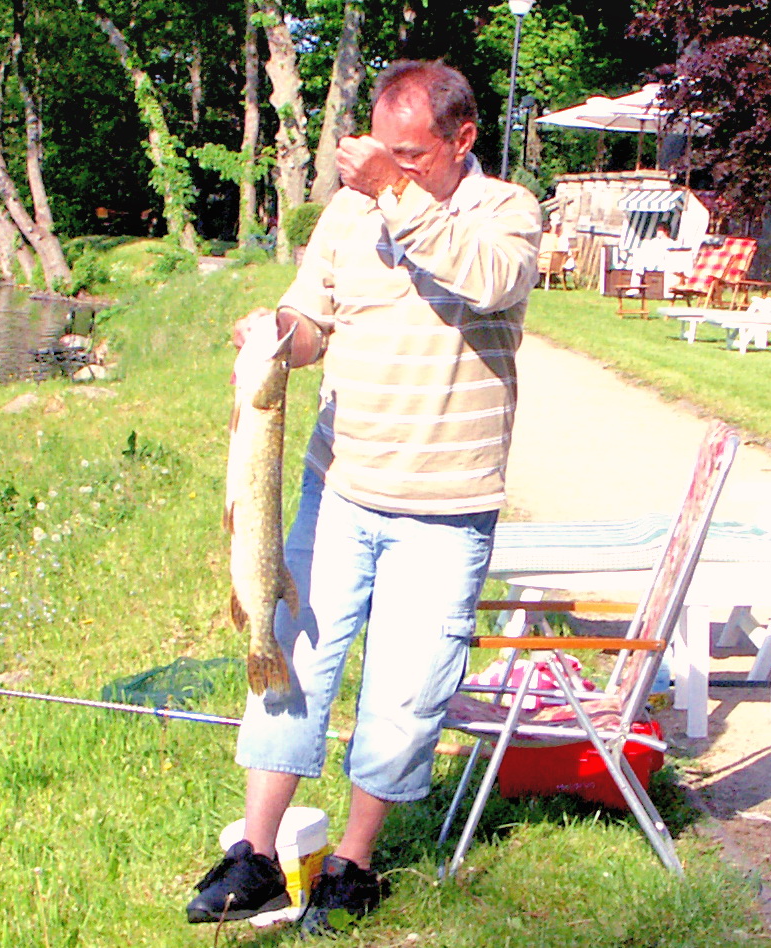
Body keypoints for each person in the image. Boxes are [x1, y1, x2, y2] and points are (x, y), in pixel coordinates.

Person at [186, 60, 541, 935]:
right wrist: (278, 333)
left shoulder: (505, 212)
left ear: (463, 140)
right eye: (381, 151)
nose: (386, 167)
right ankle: (257, 857)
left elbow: (490, 280)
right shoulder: (349, 212)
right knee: (289, 658)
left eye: (409, 155)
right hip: (338, 488)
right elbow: (314, 322)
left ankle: (353, 863)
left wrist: (394, 192)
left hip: (447, 507)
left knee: (405, 693)